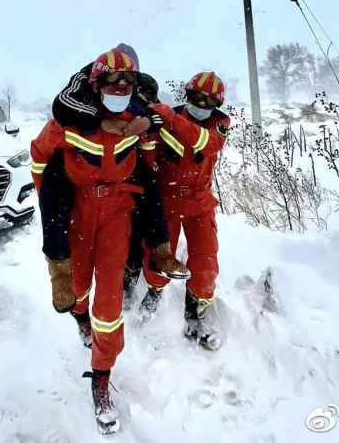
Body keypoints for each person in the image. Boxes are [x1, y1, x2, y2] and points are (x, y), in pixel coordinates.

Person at [30, 47, 158, 434]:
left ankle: (102, 376)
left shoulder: (135, 115)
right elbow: (39, 161)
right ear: (96, 84)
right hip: (77, 216)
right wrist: (55, 208)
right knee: (79, 288)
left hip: (116, 215)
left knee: (110, 302)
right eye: (112, 84)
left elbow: (148, 151)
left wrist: (141, 199)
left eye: (127, 84)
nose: (120, 91)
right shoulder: (68, 120)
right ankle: (79, 318)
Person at [43, 44, 189, 315]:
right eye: (115, 78)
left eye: (129, 76)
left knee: (142, 208)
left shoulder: (143, 84)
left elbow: (154, 110)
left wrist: (146, 123)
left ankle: (134, 281)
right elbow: (61, 106)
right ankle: (62, 274)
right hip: (85, 166)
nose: (123, 84)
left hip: (125, 160)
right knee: (56, 203)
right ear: (100, 79)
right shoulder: (84, 80)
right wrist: (100, 121)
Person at [138, 71, 231, 351]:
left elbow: (206, 143)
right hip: (166, 200)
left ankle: (194, 317)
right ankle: (153, 292)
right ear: (186, 96)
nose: (201, 105)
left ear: (217, 104)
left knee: (205, 263)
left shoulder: (219, 125)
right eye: (196, 98)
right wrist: (148, 139)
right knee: (158, 255)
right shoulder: (168, 117)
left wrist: (170, 119)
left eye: (208, 101)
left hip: (200, 203)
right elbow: (148, 154)